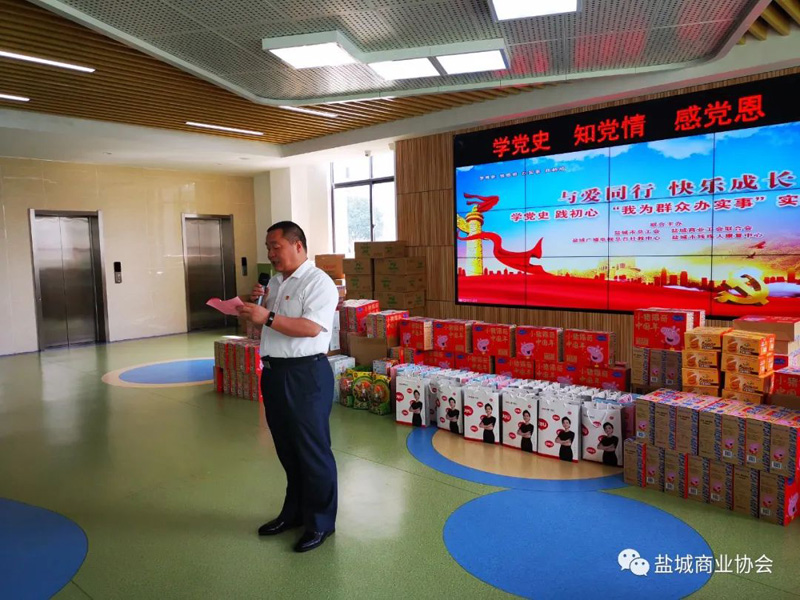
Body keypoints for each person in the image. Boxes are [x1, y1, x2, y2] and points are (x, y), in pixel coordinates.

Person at [237, 221, 339, 553]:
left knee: (312, 451)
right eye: (267, 248)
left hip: (305, 375)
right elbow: (269, 328)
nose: (270, 254)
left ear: (297, 245)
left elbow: (310, 328)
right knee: (287, 449)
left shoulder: (318, 282)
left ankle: (321, 523)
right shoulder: (276, 283)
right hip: (274, 373)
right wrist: (255, 310)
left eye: (275, 246)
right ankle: (294, 513)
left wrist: (266, 316)